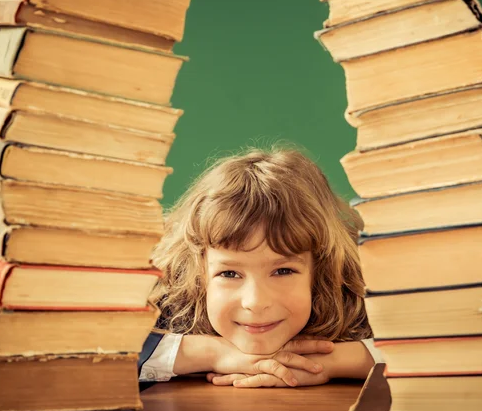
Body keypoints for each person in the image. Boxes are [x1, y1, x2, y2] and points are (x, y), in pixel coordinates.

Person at [139, 146, 383, 387]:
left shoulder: (359, 291)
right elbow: (107, 354)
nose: (255, 302)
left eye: (283, 271)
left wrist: (333, 361)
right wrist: (210, 353)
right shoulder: (165, 297)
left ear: (321, 271)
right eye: (229, 273)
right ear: (199, 273)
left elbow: (419, 351)